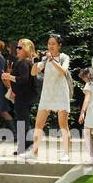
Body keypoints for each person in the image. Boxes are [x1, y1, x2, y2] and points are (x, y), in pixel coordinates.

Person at [33, 33, 73, 161]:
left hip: (61, 93)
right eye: (49, 44)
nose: (50, 46)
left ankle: (66, 154)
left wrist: (51, 60)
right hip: (47, 94)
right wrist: (34, 60)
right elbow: (34, 72)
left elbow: (63, 71)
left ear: (59, 45)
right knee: (38, 124)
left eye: (53, 44)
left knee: (63, 125)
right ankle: (34, 151)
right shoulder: (45, 59)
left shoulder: (64, 57)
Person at [1, 38, 37, 156]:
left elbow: (24, 79)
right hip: (25, 95)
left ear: (26, 49)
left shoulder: (23, 62)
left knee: (22, 121)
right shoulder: (27, 61)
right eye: (17, 47)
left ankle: (24, 147)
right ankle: (28, 145)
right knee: (25, 120)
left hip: (23, 96)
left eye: (20, 47)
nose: (17, 49)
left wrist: (9, 76)